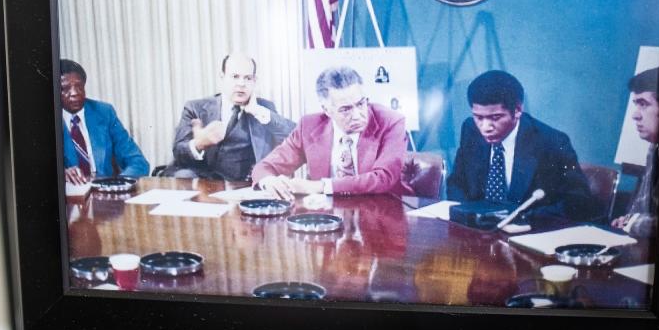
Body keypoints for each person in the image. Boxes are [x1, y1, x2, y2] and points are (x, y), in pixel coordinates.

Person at [446, 70, 599, 221]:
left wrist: (522, 218)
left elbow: (578, 201)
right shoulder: (470, 129)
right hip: (477, 232)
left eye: (495, 117)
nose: (485, 127)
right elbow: (456, 183)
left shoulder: (552, 142)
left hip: (526, 232)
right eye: (478, 117)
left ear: (518, 110)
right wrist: (470, 216)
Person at [253, 66, 408, 199]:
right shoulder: (309, 126)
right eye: (345, 109)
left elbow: (383, 178)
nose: (357, 114)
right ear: (327, 110)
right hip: (328, 219)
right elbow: (265, 167)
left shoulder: (390, 122)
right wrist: (269, 181)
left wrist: (321, 186)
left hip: (383, 215)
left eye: (361, 104)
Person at [169, 53, 295, 181]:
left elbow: (296, 136)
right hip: (206, 185)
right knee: (183, 176)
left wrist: (257, 111)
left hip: (247, 184)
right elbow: (179, 152)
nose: (241, 84)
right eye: (235, 77)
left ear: (254, 81)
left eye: (248, 78)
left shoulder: (264, 108)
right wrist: (198, 144)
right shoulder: (196, 108)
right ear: (222, 77)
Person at [60, 58, 149, 185]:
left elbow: (138, 162)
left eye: (79, 86)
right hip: (70, 197)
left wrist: (116, 185)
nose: (74, 93)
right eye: (65, 89)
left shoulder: (104, 112)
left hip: (104, 191)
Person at [612, 66, 659, 239]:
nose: (635, 115)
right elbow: (640, 209)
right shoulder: (655, 146)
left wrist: (634, 222)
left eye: (643, 104)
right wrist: (628, 220)